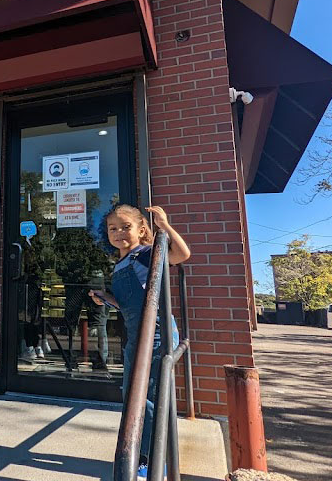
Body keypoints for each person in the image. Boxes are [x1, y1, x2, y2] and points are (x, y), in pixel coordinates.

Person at [90, 204, 190, 480]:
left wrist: (165, 226)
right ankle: (141, 454)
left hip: (156, 333)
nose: (119, 232)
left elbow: (181, 254)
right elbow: (128, 305)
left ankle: (151, 460)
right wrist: (106, 298)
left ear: (141, 229)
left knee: (150, 397)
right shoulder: (120, 264)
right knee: (132, 395)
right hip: (136, 335)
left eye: (126, 226)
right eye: (113, 228)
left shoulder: (145, 254)